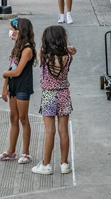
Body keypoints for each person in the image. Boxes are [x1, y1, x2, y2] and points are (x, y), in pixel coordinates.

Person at [32, 25, 76, 175]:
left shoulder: (43, 55)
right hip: (64, 93)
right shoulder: (68, 57)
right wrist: (68, 48)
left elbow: (44, 52)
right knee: (63, 130)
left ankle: (46, 165)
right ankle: (64, 164)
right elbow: (69, 51)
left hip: (49, 95)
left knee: (49, 131)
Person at [0, 18, 36, 165]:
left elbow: (17, 71)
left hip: (23, 87)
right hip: (13, 86)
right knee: (13, 118)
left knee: (23, 119)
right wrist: (5, 86)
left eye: (13, 29)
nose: (11, 32)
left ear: (20, 31)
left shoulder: (27, 49)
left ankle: (25, 152)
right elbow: (11, 67)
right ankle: (11, 151)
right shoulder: (17, 48)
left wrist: (5, 75)